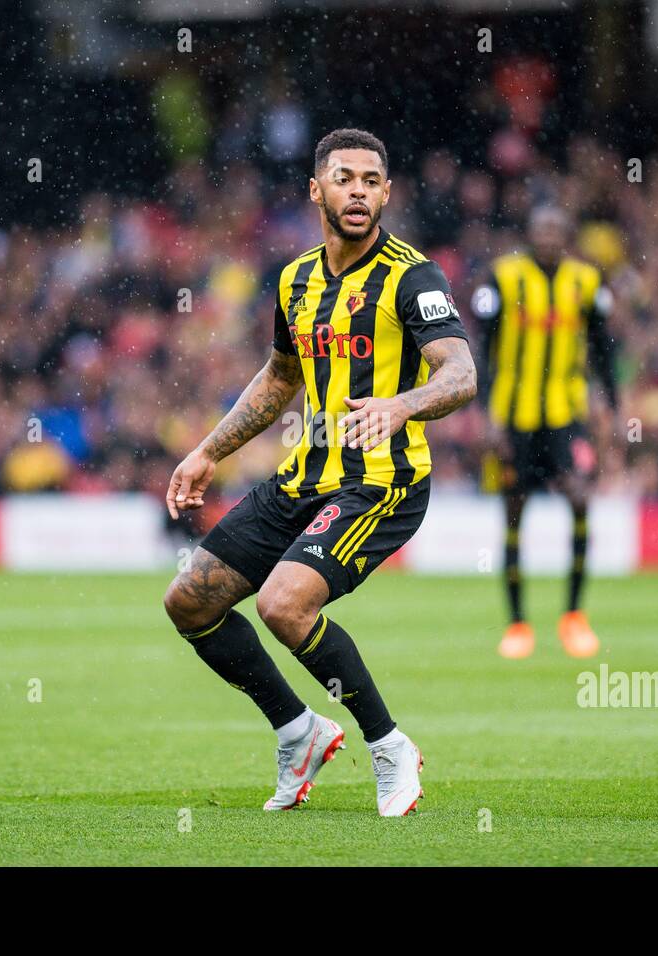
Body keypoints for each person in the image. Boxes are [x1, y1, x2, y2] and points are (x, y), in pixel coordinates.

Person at [162, 128, 476, 816]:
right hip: (303, 479)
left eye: (371, 180)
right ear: (317, 190)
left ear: (387, 193)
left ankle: (390, 747)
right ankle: (298, 729)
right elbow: (280, 378)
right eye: (344, 177)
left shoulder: (411, 276)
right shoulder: (296, 279)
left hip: (382, 483)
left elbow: (460, 373)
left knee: (282, 604)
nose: (358, 191)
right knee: (189, 601)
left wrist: (403, 403)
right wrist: (211, 450)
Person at [471, 205, 617, 659]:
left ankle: (574, 616)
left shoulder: (587, 283)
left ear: (567, 234)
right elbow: (483, 347)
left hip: (566, 416)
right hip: (513, 418)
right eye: (543, 229)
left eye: (557, 229)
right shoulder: (503, 278)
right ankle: (517, 625)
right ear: (531, 234)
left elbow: (604, 349)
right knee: (513, 511)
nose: (550, 237)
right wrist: (485, 412)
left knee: (579, 499)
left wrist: (610, 402)